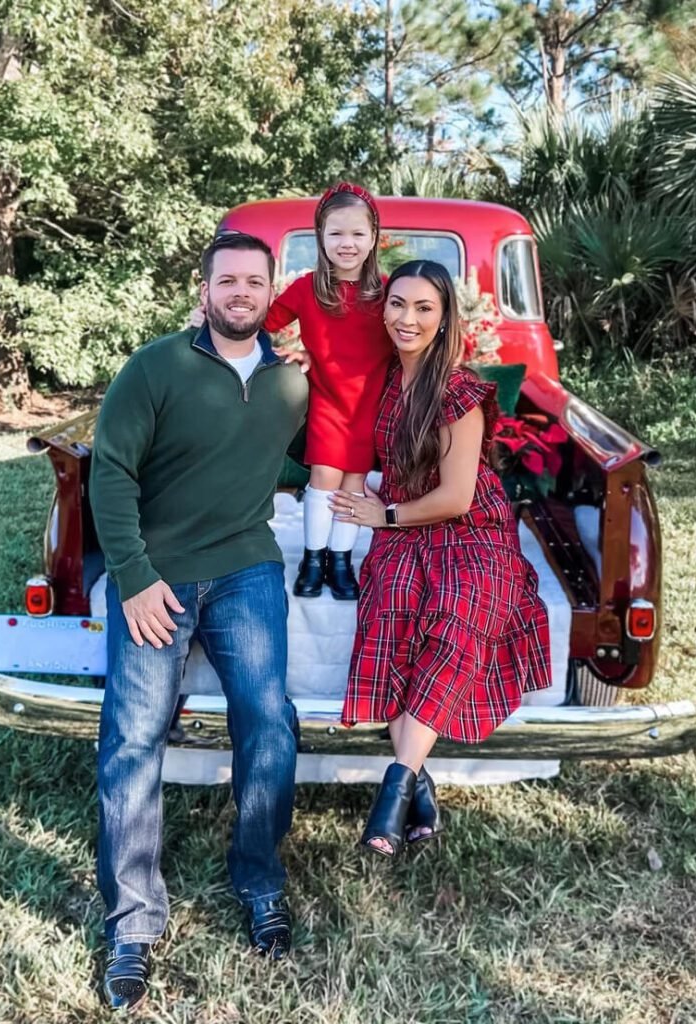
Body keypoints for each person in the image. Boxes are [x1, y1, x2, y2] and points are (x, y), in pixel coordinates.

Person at [90, 232, 308, 1011]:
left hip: (247, 567)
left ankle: (258, 881)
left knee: (269, 721)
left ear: (269, 290)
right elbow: (109, 472)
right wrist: (136, 580)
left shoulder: (290, 384)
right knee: (133, 733)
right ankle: (134, 923)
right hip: (159, 575)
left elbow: (336, 445)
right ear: (206, 288)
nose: (240, 292)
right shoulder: (156, 366)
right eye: (228, 281)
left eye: (254, 281)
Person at [330, 260, 552, 858]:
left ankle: (392, 791)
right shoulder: (381, 381)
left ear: (444, 316)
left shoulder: (457, 390)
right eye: (397, 304)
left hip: (470, 527)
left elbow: (455, 497)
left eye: (423, 308)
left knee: (462, 613)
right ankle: (416, 786)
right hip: (406, 529)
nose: (407, 318)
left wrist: (386, 516)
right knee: (393, 616)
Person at [192, 182, 392, 600]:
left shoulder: (386, 291)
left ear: (374, 237)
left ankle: (341, 563)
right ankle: (313, 559)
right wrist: (212, 318)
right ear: (320, 236)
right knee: (323, 480)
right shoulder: (308, 288)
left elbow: (411, 333)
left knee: (353, 485)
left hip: (370, 404)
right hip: (326, 402)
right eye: (336, 233)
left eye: (358, 234)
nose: (347, 243)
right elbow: (262, 324)